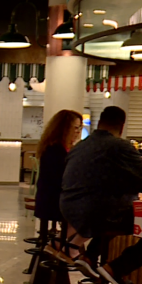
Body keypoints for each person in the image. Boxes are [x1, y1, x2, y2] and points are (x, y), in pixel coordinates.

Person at [61, 106, 142, 284]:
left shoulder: (82, 145)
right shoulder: (119, 145)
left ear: (99, 123)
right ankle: (115, 269)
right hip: (95, 212)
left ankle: (89, 257)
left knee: (116, 206)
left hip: (69, 209)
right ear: (122, 127)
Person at [35, 110, 87, 257]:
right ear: (64, 128)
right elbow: (63, 180)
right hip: (53, 201)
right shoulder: (55, 150)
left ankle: (65, 244)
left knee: (92, 211)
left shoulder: (60, 148)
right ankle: (63, 244)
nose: (78, 132)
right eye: (75, 127)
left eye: (80, 128)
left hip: (54, 198)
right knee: (94, 213)